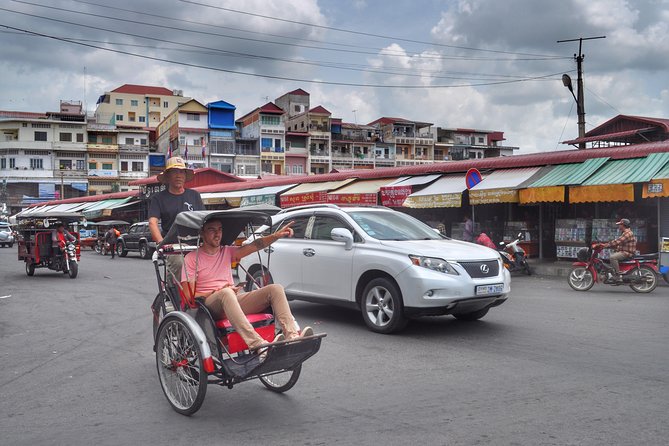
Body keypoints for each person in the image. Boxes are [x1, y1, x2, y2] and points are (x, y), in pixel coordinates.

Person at [180, 218, 313, 357]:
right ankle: (257, 344)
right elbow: (189, 297)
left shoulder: (227, 252)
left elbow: (256, 245)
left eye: (219, 229)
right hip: (210, 306)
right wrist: (217, 291)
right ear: (202, 233)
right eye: (212, 230)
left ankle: (292, 336)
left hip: (233, 300)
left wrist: (275, 236)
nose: (217, 234)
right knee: (226, 293)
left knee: (275, 289)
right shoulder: (191, 259)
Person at [148, 156, 204, 279]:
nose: (178, 175)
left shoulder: (194, 195)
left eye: (181, 172)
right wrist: (161, 244)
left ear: (185, 175)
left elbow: (203, 220)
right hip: (173, 245)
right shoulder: (158, 198)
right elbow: (152, 222)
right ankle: (178, 295)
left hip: (195, 243)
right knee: (179, 265)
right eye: (174, 172)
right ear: (167, 176)